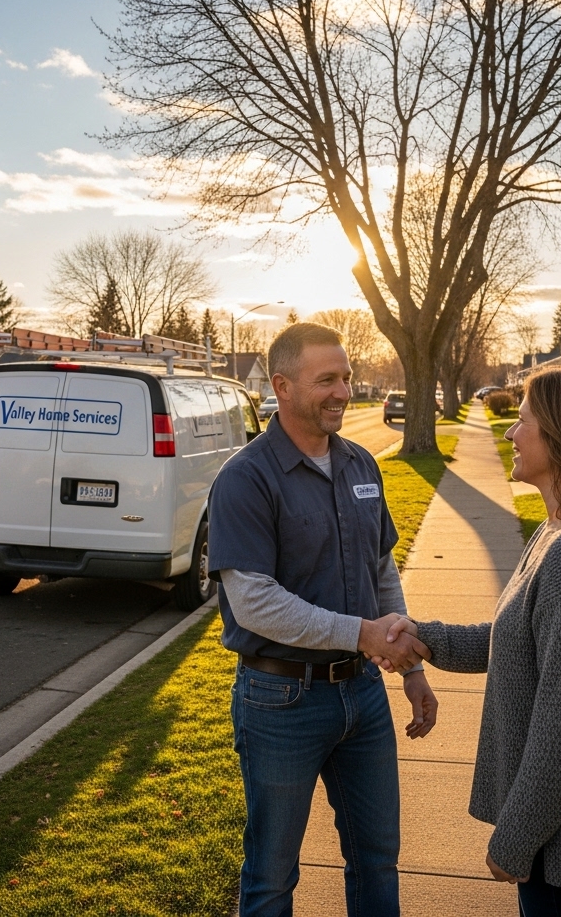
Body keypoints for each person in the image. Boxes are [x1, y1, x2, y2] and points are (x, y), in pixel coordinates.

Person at [384, 367, 561, 916]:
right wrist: (426, 640)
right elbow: (521, 640)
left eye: (523, 420)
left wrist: (516, 838)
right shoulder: (560, 532)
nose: (510, 433)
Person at [207, 322, 437, 917]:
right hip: (280, 700)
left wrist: (406, 662)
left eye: (347, 378)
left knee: (378, 858)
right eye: (326, 380)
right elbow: (253, 600)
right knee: (271, 875)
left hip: (363, 696)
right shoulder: (245, 479)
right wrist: (360, 634)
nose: (342, 391)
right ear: (281, 386)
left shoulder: (361, 464)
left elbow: (379, 568)